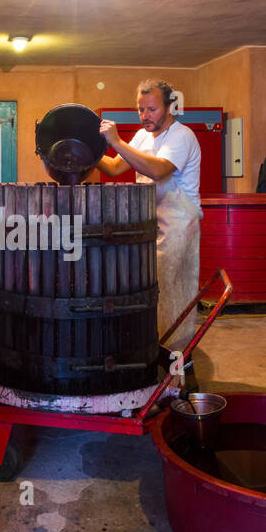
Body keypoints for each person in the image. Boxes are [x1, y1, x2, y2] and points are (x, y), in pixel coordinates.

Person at [94, 79, 202, 376]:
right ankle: (151, 356)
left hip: (178, 225)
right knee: (148, 294)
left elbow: (156, 170)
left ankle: (179, 363)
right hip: (148, 225)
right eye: (140, 110)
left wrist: (116, 141)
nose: (145, 116)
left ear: (169, 107)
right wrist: (89, 152)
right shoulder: (142, 136)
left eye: (151, 109)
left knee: (172, 297)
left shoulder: (182, 136)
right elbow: (116, 167)